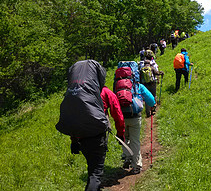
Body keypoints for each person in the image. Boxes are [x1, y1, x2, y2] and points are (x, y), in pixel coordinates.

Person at [56, 60, 112, 191]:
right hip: (96, 135)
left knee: (91, 169)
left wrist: (74, 140)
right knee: (95, 174)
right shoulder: (93, 91)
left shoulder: (73, 93)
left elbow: (74, 117)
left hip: (80, 137)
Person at [121, 83, 156, 174]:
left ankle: (127, 157)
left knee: (125, 138)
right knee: (135, 141)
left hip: (121, 117)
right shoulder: (138, 85)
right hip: (135, 117)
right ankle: (136, 165)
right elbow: (150, 99)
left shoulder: (117, 85)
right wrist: (153, 105)